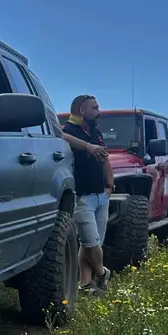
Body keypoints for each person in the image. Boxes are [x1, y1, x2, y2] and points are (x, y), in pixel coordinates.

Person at [61, 95, 114, 293]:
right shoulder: (67, 129)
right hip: (82, 196)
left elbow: (105, 159)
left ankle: (85, 284)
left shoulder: (96, 132)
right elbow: (61, 136)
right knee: (91, 243)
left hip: (101, 195)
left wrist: (110, 186)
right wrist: (87, 147)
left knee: (91, 243)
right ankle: (102, 273)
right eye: (95, 108)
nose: (98, 112)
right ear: (83, 110)